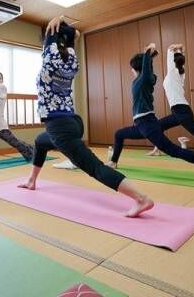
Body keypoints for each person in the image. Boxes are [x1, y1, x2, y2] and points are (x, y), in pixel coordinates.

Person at [18, 16, 154, 218]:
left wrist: (54, 23)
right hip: (73, 122)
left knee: (95, 168)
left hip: (59, 126)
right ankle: (32, 180)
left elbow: (51, 40)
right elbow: (73, 40)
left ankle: (141, 198)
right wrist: (68, 33)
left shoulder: (49, 60)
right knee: (40, 141)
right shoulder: (72, 60)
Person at [104, 42, 194, 183]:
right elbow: (149, 72)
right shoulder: (146, 79)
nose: (131, 70)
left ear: (135, 68)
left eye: (131, 68)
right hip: (142, 125)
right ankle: (113, 162)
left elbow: (147, 71)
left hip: (147, 125)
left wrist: (148, 52)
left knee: (173, 151)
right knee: (119, 134)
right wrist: (151, 56)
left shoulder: (143, 80)